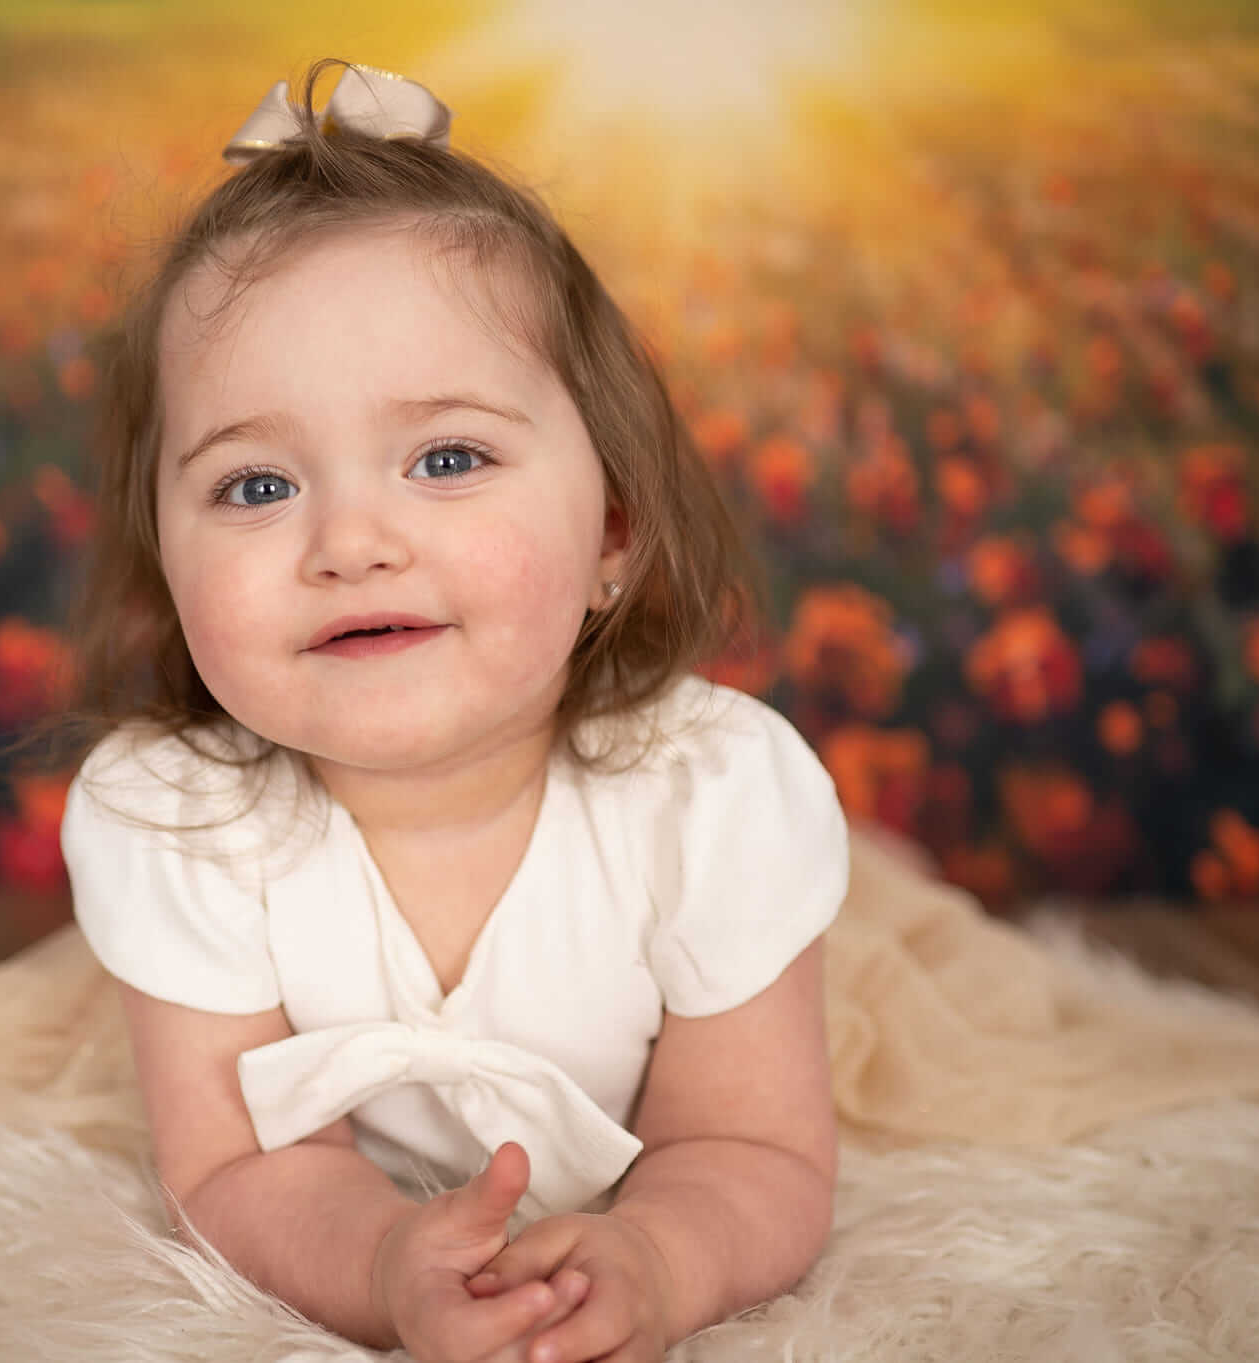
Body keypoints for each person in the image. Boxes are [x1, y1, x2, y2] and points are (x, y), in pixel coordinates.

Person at [56, 60, 847, 1363]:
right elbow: (238, 1170)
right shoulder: (181, 820)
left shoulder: (708, 800)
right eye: (255, 487)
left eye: (448, 457)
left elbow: (749, 1146)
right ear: (161, 561)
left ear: (612, 531)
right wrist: (380, 1261)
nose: (351, 543)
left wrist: (658, 1255)